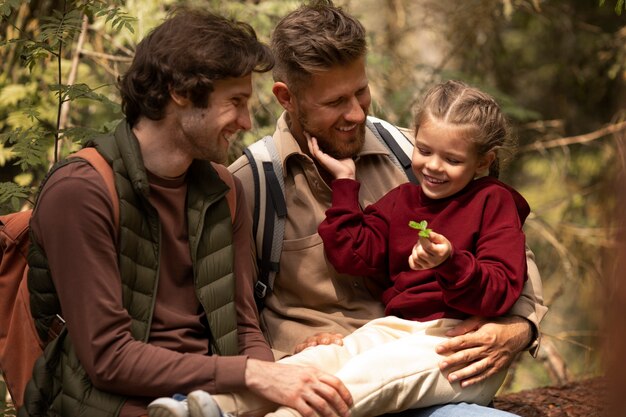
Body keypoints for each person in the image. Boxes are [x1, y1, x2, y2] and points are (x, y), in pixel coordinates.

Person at [20, 9, 352, 417]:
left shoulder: (222, 188)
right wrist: (252, 375)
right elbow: (108, 359)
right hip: (112, 404)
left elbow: (245, 328)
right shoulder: (82, 191)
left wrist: (278, 382)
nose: (247, 122)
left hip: (218, 400)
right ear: (180, 92)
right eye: (235, 102)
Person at [228, 1, 548, 416]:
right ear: (287, 98)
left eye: (361, 91)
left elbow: (507, 249)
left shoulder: (415, 155)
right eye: (336, 101)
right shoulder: (250, 184)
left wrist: (519, 327)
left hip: (422, 370)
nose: (357, 112)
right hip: (313, 382)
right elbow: (234, 319)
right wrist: (281, 351)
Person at [169, 79, 532, 417]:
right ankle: (208, 406)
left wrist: (450, 262)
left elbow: (499, 292)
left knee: (368, 375)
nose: (433, 166)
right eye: (424, 150)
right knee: (325, 360)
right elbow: (352, 254)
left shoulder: (494, 202)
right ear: (415, 139)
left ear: (483, 161)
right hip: (395, 328)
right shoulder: (403, 200)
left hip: (460, 346)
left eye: (452, 160)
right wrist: (345, 184)